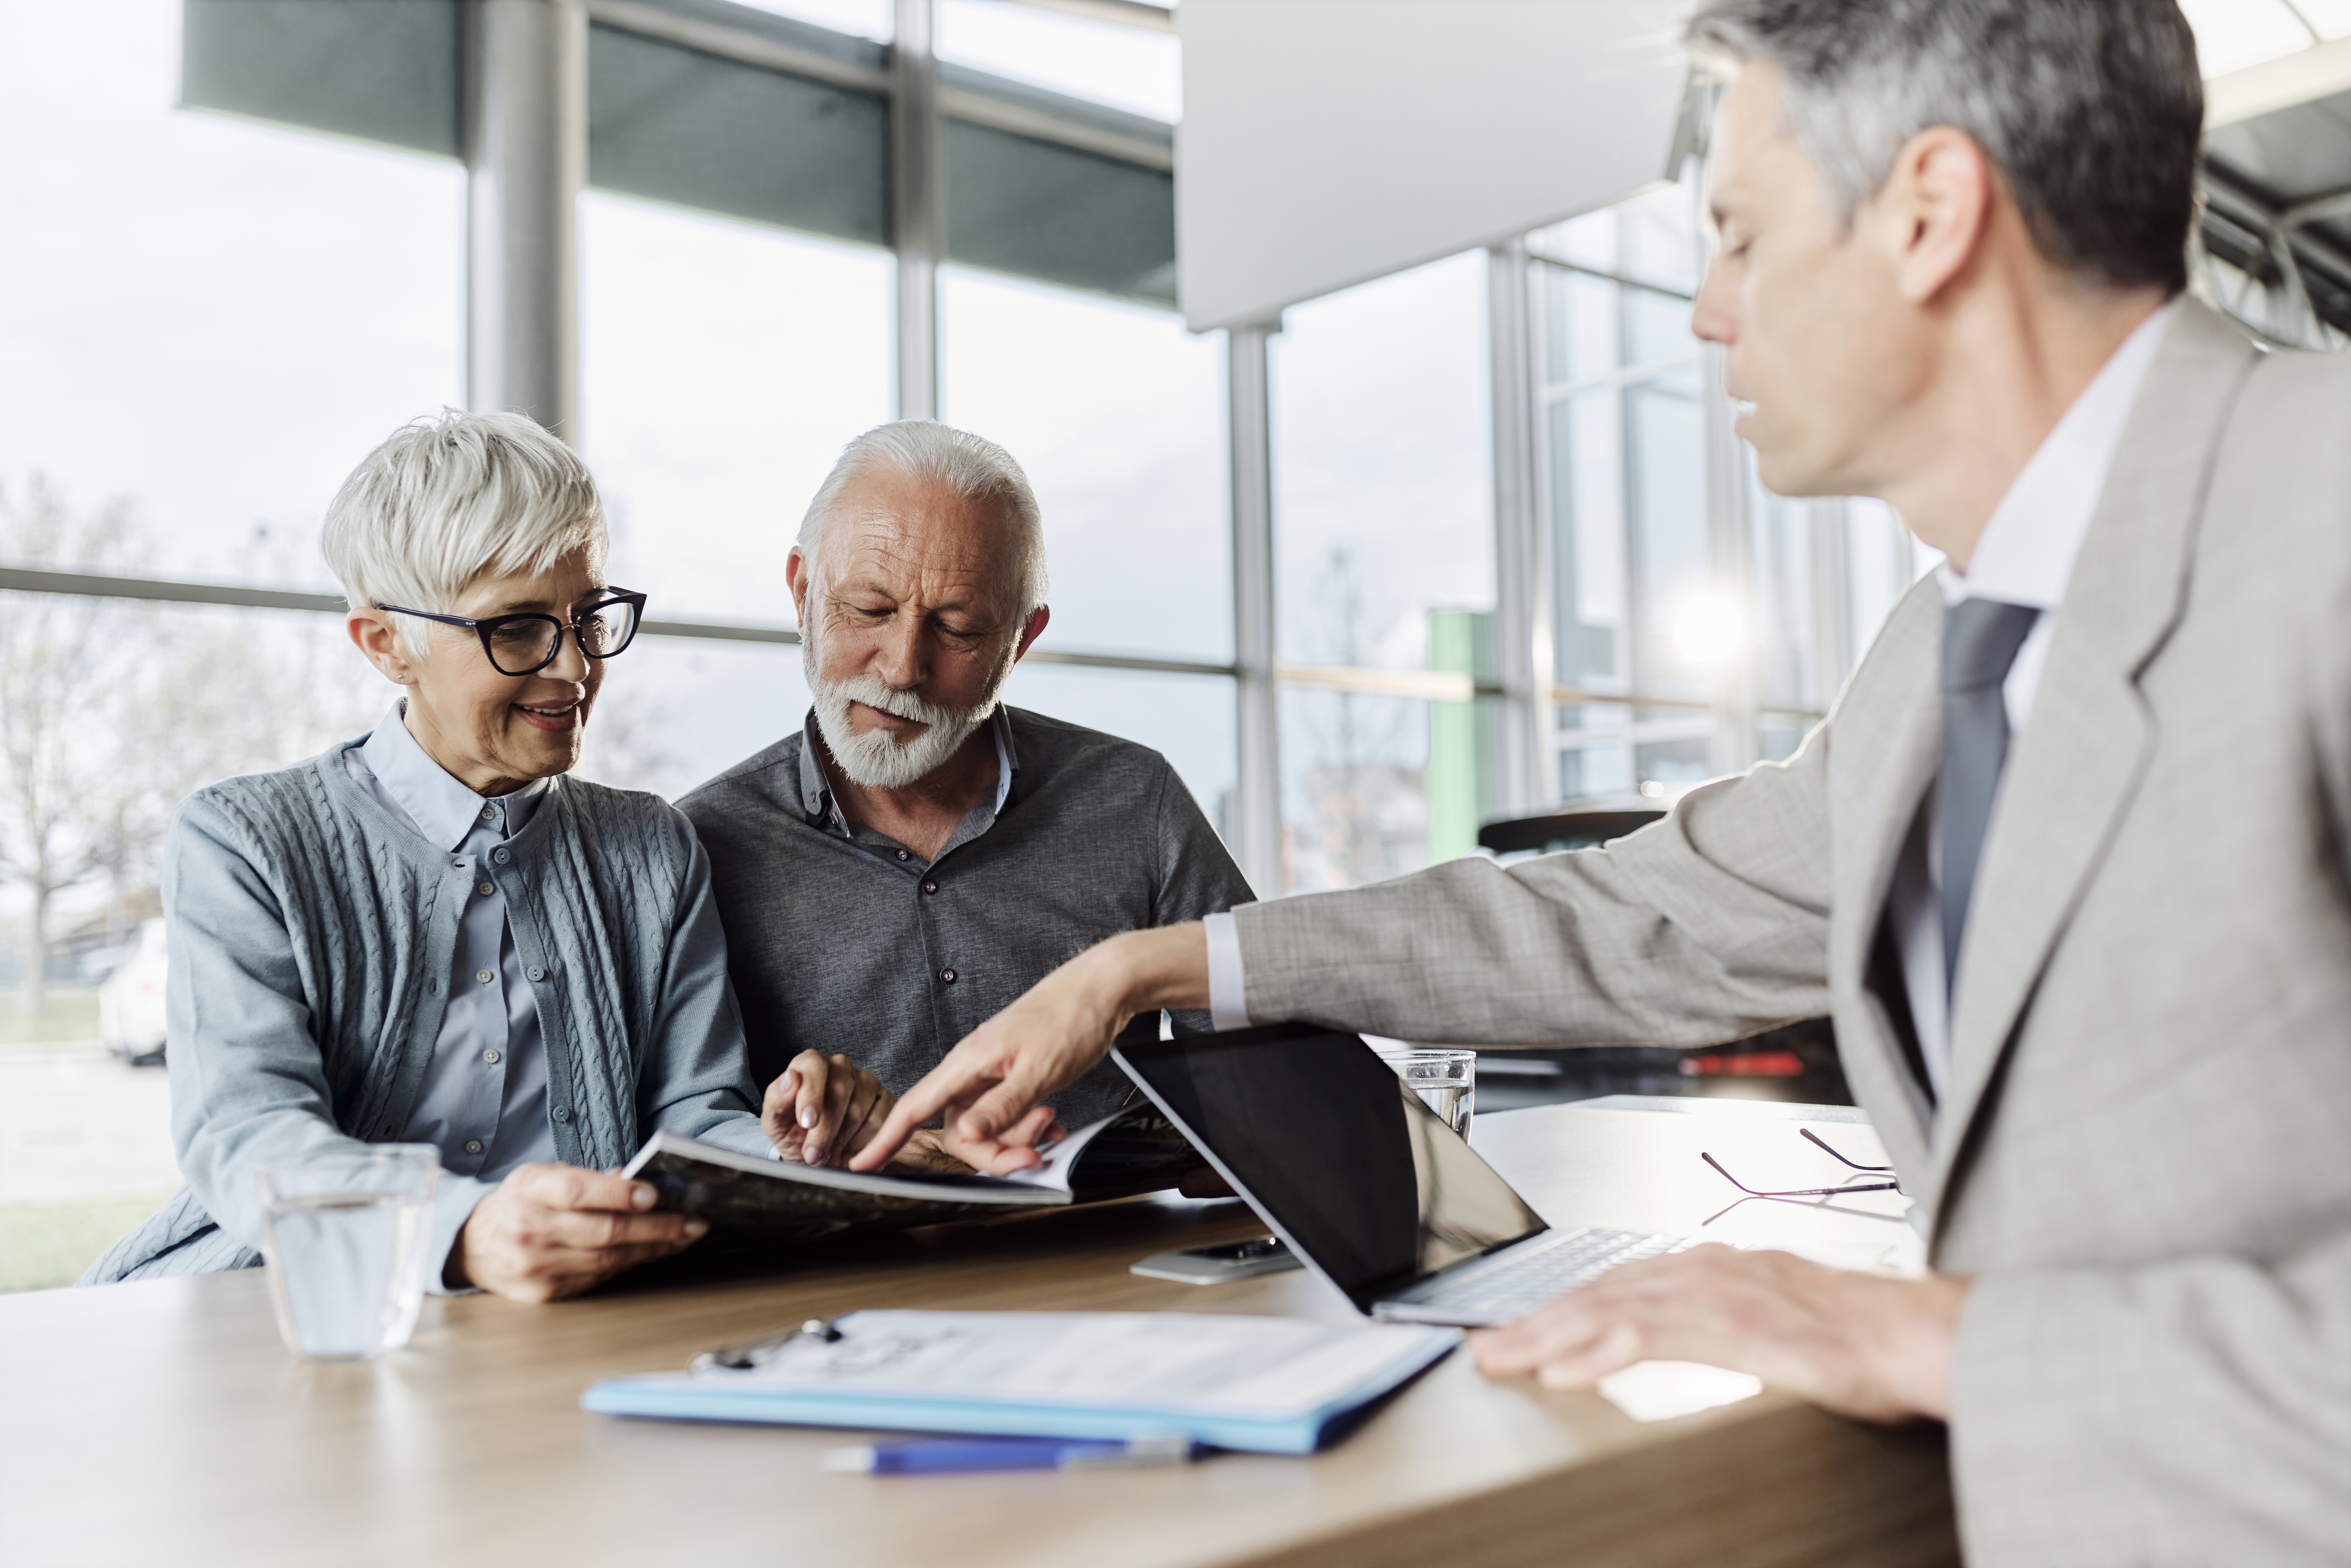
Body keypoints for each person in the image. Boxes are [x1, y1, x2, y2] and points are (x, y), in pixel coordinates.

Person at [852, 3, 2351, 1559]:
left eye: (1743, 237)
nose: (1707, 311)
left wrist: (1943, 1341)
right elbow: (1649, 912)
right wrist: (1157, 965)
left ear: (1930, 212)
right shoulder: (1946, 648)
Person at [83, 411, 898, 1303]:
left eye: (589, 616)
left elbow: (695, 1120)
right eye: (516, 628)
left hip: (568, 1325)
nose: (575, 669)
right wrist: (462, 1234)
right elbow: (252, 1138)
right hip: (276, 1308)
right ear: (386, 644)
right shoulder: (247, 841)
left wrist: (791, 1145)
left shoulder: (650, 847)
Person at [676, 421, 1255, 1155]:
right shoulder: (700, 847)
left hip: (1115, 1254)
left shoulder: (1137, 801)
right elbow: (688, 1125)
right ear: (801, 593)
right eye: (870, 609)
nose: (901, 667)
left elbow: (1269, 1073)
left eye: (957, 628)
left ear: (1022, 639)